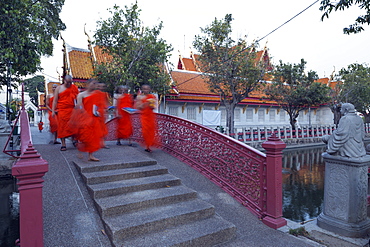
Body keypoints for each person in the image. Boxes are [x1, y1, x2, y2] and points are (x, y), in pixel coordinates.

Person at [74, 78, 103, 161]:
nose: (94, 85)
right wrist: (85, 116)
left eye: (95, 84)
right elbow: (80, 106)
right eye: (93, 83)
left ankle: (91, 155)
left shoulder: (96, 94)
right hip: (85, 118)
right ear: (88, 84)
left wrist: (99, 112)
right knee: (85, 136)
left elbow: (99, 106)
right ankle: (80, 149)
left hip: (94, 118)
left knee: (93, 137)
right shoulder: (81, 95)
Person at [52, 75, 79, 151]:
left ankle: (75, 140)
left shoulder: (74, 88)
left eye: (70, 82)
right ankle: (63, 144)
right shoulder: (59, 88)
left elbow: (78, 98)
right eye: (68, 82)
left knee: (74, 126)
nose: (69, 84)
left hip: (72, 110)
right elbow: (55, 100)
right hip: (62, 110)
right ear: (64, 81)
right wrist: (53, 110)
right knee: (62, 128)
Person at [135, 84, 157, 152]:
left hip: (150, 116)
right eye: (144, 89)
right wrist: (146, 103)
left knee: (151, 132)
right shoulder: (139, 97)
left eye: (147, 89)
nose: (145, 90)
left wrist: (151, 104)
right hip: (144, 116)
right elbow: (139, 107)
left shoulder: (152, 96)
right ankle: (147, 145)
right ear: (142, 89)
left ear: (150, 90)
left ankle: (148, 146)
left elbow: (154, 107)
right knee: (145, 132)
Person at [94, 82, 109, 148]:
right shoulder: (94, 93)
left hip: (103, 112)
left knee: (103, 128)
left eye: (103, 86)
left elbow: (106, 102)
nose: (101, 88)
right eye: (100, 86)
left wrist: (107, 109)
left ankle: (103, 143)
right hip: (96, 112)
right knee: (96, 128)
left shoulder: (105, 94)